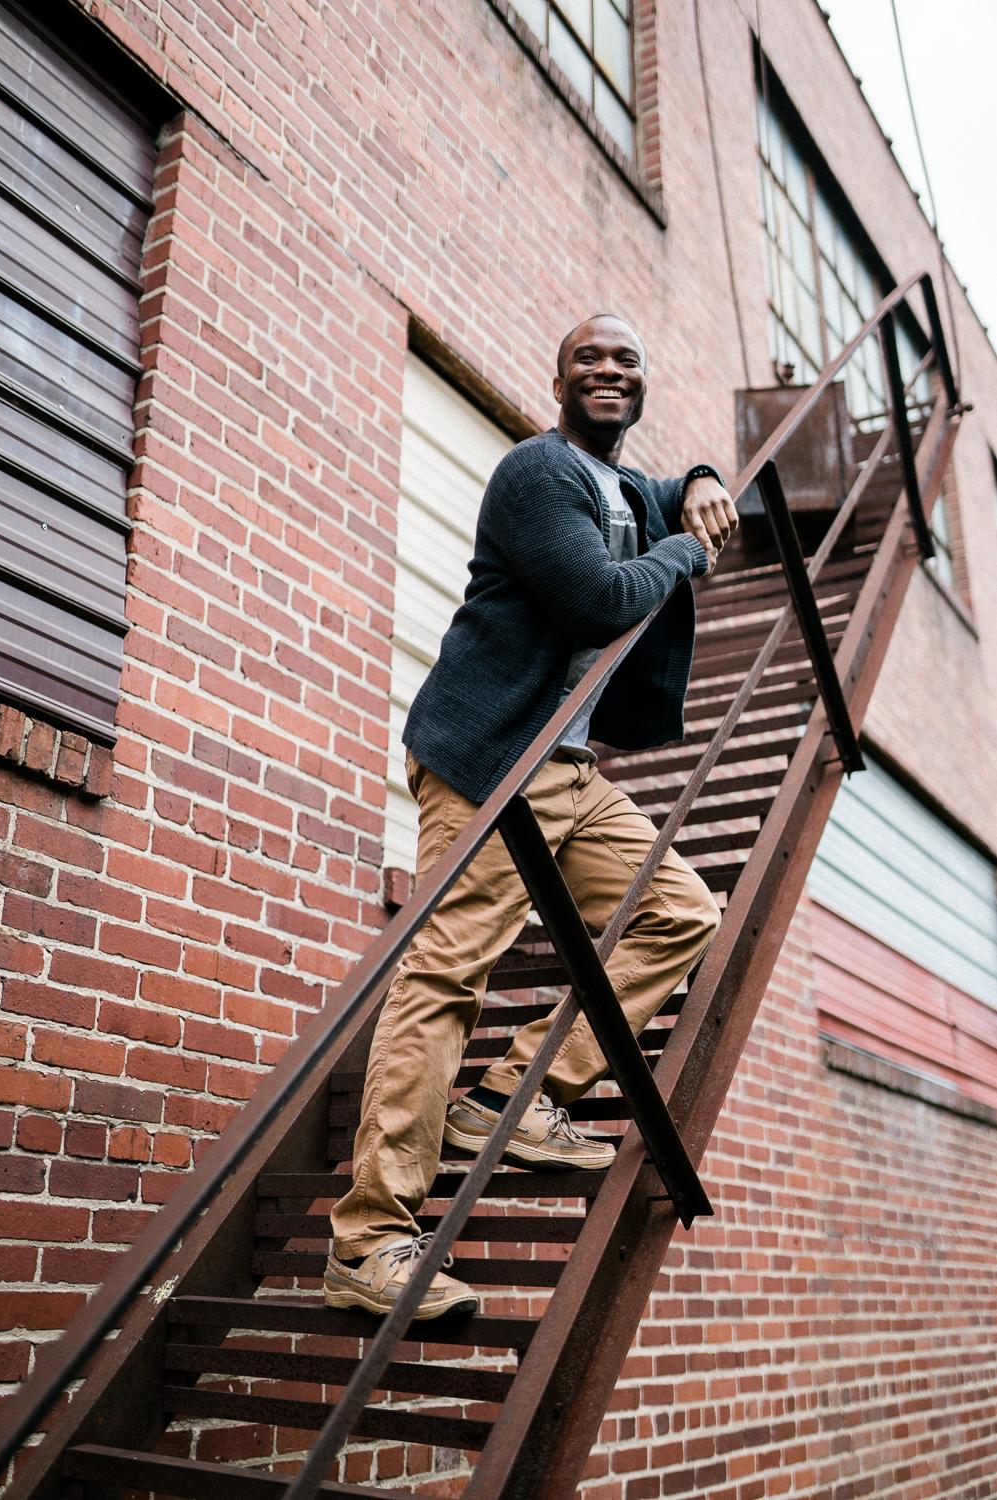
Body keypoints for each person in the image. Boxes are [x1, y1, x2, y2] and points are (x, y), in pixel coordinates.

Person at [324, 314, 737, 1320]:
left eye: (624, 362)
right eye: (587, 359)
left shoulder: (619, 486)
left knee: (681, 911)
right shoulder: (536, 476)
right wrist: (686, 545)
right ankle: (370, 1240)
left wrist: (699, 471)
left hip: (564, 771)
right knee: (446, 971)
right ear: (556, 380)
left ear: (639, 388)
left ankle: (513, 1097)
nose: (606, 371)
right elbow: (599, 599)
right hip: (485, 765)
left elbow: (674, 485)